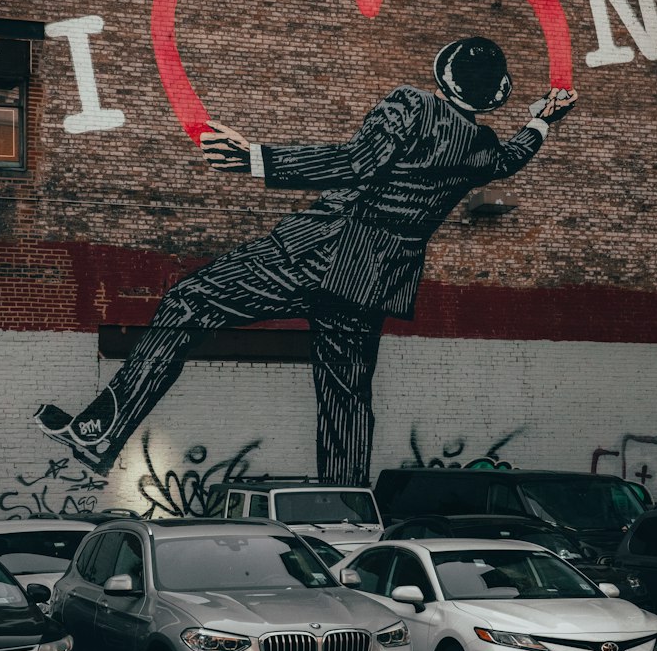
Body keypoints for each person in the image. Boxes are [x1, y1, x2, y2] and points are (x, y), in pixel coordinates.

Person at [34, 37, 578, 483]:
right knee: (345, 397)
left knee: (189, 300)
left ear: (443, 73)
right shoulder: (479, 147)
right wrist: (543, 121)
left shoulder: (411, 107)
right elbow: (510, 159)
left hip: (321, 252)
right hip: (375, 279)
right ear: (491, 95)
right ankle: (344, 513)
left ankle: (102, 429)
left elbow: (355, 163)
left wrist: (255, 159)